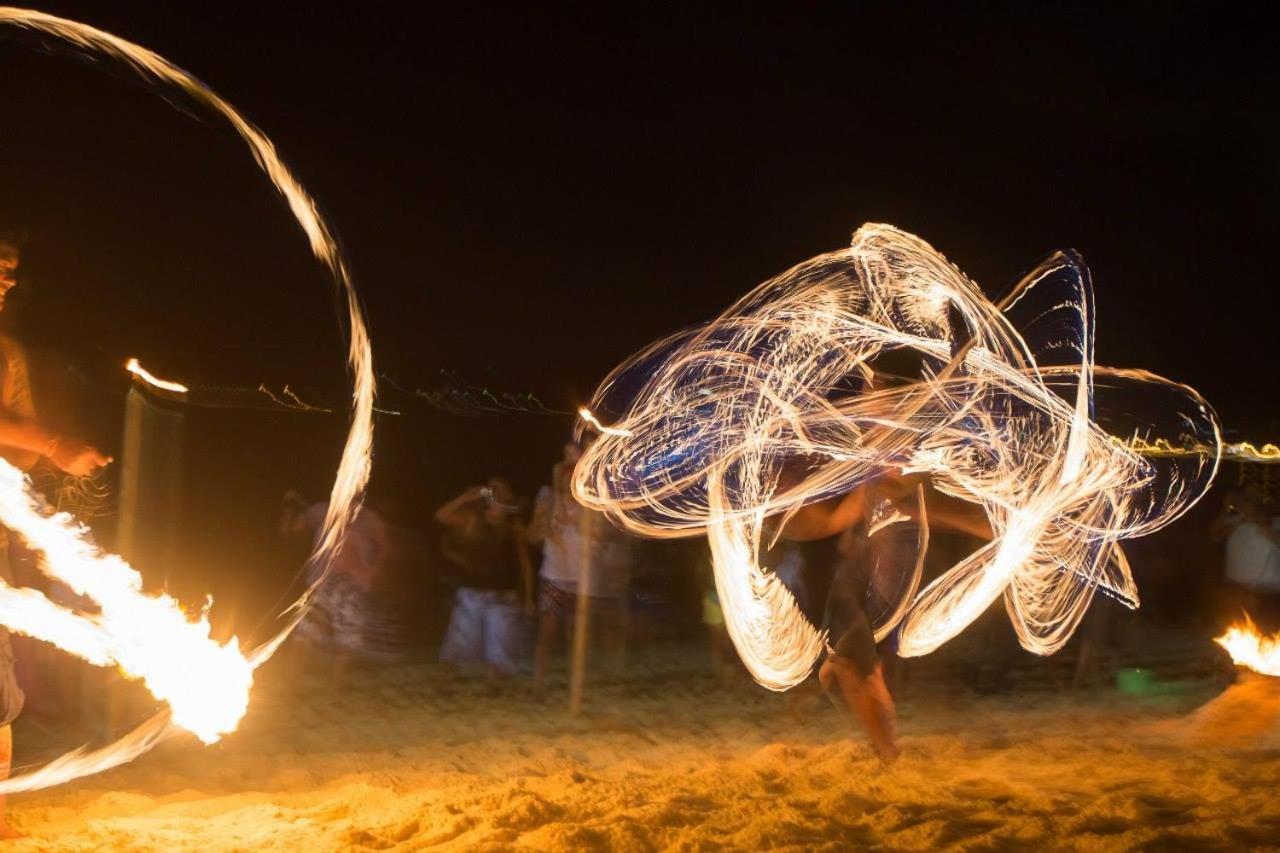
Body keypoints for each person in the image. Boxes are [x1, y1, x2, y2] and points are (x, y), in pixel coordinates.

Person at [0, 231, 111, 836]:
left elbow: (13, 436)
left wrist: (60, 458)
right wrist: (51, 444)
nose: (6, 279)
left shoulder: (6, 350)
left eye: (12, 268)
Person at [783, 473, 991, 763]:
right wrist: (785, 513)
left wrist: (998, 529)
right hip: (857, 576)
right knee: (832, 674)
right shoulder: (872, 474)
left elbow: (929, 507)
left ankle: (889, 756)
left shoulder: (900, 472)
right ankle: (882, 745)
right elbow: (831, 521)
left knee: (852, 667)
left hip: (878, 583)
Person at [527, 441, 632, 691]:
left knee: (576, 635)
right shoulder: (548, 501)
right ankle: (539, 681)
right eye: (565, 476)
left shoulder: (589, 504)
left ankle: (576, 683)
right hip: (554, 576)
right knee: (548, 631)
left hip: (580, 579)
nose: (567, 479)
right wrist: (544, 527)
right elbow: (531, 536)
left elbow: (602, 533)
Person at [280, 490, 390, 686]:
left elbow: (384, 546)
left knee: (347, 637)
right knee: (304, 632)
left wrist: (371, 572)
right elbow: (292, 529)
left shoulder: (369, 517)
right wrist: (290, 510)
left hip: (352, 584)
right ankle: (289, 683)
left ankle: (335, 686)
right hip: (320, 580)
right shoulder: (322, 510)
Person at [436, 478, 534, 678]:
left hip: (503, 593)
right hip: (472, 591)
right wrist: (466, 497)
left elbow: (524, 564)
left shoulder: (514, 526)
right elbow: (441, 516)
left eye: (501, 491)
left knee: (500, 645)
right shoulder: (473, 520)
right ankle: (450, 681)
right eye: (492, 491)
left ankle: (494, 681)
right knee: (460, 641)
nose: (496, 494)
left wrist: (529, 596)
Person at [1211, 488, 1280, 631]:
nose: (1249, 504)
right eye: (1246, 500)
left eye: (1255, 500)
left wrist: (1261, 524)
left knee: (1268, 634)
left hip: (1269, 591)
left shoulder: (1275, 523)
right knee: (1238, 631)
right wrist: (1225, 508)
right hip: (1238, 588)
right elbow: (1214, 534)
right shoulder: (1234, 522)